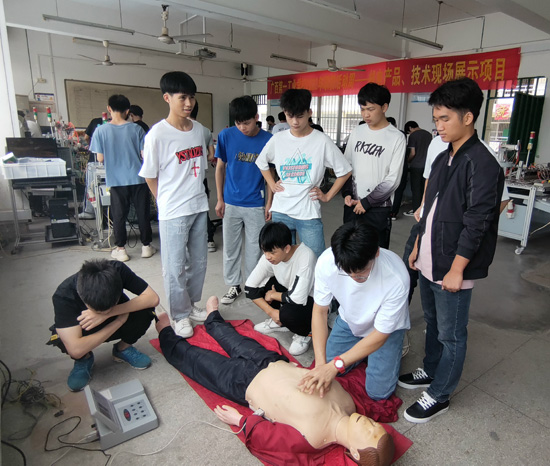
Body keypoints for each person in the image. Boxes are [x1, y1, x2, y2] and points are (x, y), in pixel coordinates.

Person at [156, 296, 395, 466]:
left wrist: (240, 420)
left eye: (370, 433)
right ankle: (213, 319)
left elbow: (270, 439)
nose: (370, 424)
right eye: (376, 426)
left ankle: (165, 333)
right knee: (231, 338)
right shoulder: (350, 404)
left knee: (194, 359)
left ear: (355, 453)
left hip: (243, 383)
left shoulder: (314, 439)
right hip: (272, 362)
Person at [400, 77, 504, 423]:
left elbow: (478, 222)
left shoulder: (482, 163)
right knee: (432, 322)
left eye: (445, 118)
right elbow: (428, 208)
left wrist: (458, 269)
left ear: (468, 117)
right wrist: (417, 244)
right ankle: (431, 369)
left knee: (452, 334)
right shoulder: (444, 156)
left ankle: (440, 393)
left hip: (453, 264)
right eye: (436, 119)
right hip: (431, 256)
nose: (438, 126)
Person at [301, 222, 409, 401]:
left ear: (376, 253)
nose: (354, 278)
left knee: (378, 393)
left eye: (360, 273)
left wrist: (335, 365)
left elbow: (380, 335)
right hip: (349, 320)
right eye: (347, 272)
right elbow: (319, 311)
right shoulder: (327, 262)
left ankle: (396, 343)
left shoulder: (396, 277)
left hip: (383, 330)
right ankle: (360, 351)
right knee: (325, 366)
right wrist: (321, 364)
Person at [139, 71, 209, 338]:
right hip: (173, 211)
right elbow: (149, 175)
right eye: (182, 98)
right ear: (167, 98)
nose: (188, 103)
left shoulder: (199, 130)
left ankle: (190, 305)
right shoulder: (157, 135)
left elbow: (199, 168)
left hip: (198, 205)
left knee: (198, 263)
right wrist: (164, 202)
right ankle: (179, 315)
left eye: (192, 97)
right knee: (175, 266)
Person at [256, 89, 351, 258]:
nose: (294, 122)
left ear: (309, 113)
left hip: (308, 213)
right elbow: (261, 162)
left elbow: (344, 171)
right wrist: (271, 183)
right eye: (289, 116)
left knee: (315, 259)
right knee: (282, 259)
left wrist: (327, 196)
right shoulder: (278, 139)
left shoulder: (321, 140)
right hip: (281, 210)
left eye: (299, 116)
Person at [50, 259, 159, 391]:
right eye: (98, 311)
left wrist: (109, 313)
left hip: (118, 314)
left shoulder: (117, 270)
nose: (104, 313)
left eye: (109, 308)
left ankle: (122, 349)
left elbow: (152, 298)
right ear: (83, 298)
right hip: (86, 327)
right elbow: (75, 349)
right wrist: (119, 321)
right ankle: (85, 359)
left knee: (146, 311)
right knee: (61, 338)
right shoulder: (64, 295)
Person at [215, 96, 273, 304]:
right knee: (230, 248)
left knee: (255, 249)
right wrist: (220, 199)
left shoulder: (268, 140)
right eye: (238, 123)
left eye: (246, 123)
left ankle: (252, 285)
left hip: (256, 203)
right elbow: (220, 168)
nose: (242, 128)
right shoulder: (226, 135)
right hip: (231, 202)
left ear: (256, 117)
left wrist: (269, 203)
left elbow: (270, 176)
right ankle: (233, 285)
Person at [90, 94, 154, 262]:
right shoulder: (137, 129)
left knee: (119, 215)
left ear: (109, 109)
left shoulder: (100, 131)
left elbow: (100, 158)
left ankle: (121, 249)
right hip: (138, 178)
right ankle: (146, 246)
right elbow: (144, 154)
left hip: (116, 180)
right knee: (143, 213)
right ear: (127, 111)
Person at [341, 83, 406, 249]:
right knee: (350, 250)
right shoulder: (357, 132)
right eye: (362, 109)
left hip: (378, 208)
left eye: (370, 109)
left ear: (384, 107)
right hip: (352, 203)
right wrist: (347, 193)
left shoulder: (396, 137)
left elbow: (393, 179)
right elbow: (347, 165)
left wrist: (367, 202)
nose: (366, 114)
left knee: (376, 252)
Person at [245, 222, 316, 356]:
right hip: (291, 293)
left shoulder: (305, 256)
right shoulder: (270, 257)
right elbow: (249, 287)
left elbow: (298, 298)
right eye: (264, 251)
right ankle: (280, 322)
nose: (267, 256)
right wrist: (272, 312)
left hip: (311, 300)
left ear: (287, 248)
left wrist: (273, 295)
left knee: (289, 312)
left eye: (272, 252)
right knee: (262, 287)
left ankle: (305, 333)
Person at [190, 101, 217, 253]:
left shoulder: (177, 131)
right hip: (201, 177)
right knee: (203, 208)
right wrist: (200, 160)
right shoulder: (205, 130)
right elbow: (212, 155)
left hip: (184, 180)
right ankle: (209, 240)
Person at [402, 121, 432, 216]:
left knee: (416, 189)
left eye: (409, 131)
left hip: (416, 166)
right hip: (427, 166)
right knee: (424, 188)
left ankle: (416, 210)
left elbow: (413, 153)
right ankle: (423, 209)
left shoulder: (413, 136)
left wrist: (408, 161)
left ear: (410, 128)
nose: (409, 133)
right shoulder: (429, 134)